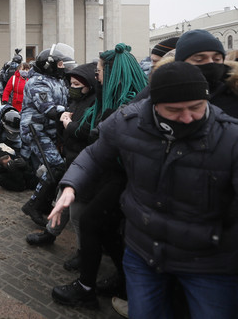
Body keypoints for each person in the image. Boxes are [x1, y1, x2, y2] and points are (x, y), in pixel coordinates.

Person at [49, 61, 238, 318]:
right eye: (174, 110)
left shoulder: (229, 137)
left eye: (196, 108)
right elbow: (94, 156)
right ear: (154, 105)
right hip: (143, 252)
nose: (187, 117)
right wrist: (71, 186)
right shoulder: (129, 121)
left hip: (207, 261)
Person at [48, 43, 149, 308]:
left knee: (94, 223)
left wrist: (75, 128)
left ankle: (87, 287)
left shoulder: (127, 104)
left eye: (101, 71)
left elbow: (99, 139)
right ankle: (121, 280)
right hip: (113, 173)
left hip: (123, 177)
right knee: (103, 229)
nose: (98, 77)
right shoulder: (117, 98)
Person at [24, 62, 97, 264]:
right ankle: (50, 232)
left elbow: (90, 132)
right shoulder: (78, 99)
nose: (72, 88)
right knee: (61, 200)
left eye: (76, 84)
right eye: (71, 83)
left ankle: (84, 255)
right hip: (73, 159)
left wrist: (69, 125)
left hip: (85, 162)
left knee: (76, 214)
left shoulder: (95, 103)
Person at [19, 44, 70, 227]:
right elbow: (47, 108)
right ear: (49, 65)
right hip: (35, 129)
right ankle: (33, 205)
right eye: (60, 64)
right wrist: (71, 113)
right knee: (55, 166)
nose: (62, 67)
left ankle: (41, 202)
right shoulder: (37, 82)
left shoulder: (57, 80)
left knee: (56, 167)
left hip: (50, 130)